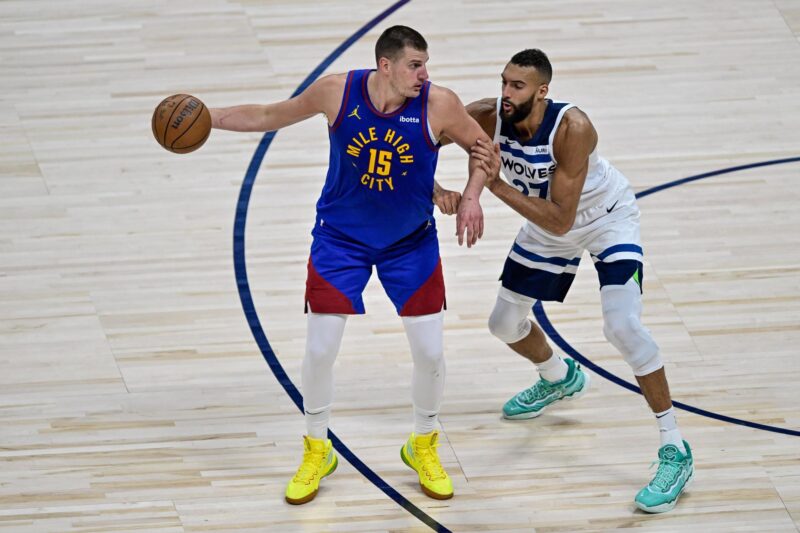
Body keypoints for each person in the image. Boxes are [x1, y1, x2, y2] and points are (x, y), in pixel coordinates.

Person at [209, 26, 491, 504]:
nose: (425, 74)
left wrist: (470, 196)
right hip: (340, 241)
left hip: (410, 243)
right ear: (386, 66)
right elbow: (268, 114)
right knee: (320, 351)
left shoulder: (439, 103)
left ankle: (422, 443)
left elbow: (485, 148)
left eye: (425, 64)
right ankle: (317, 448)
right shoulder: (337, 91)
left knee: (430, 354)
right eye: (415, 65)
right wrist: (206, 116)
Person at [455, 49, 693, 513]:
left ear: (542, 91)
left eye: (517, 86)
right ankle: (559, 377)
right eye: (504, 82)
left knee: (621, 326)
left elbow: (562, 219)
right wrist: (443, 191)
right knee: (503, 324)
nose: (506, 93)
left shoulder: (572, 128)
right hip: (545, 225)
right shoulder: (487, 114)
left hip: (604, 218)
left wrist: (492, 185)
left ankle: (675, 446)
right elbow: (426, 138)